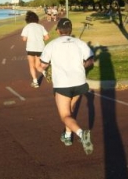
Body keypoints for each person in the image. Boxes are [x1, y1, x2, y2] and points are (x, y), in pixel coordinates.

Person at [37, 18, 94, 155]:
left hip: (63, 84)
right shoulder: (80, 43)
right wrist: (83, 66)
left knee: (65, 115)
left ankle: (81, 133)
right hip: (79, 82)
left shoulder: (51, 45)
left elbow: (42, 65)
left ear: (57, 30)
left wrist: (40, 68)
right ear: (71, 30)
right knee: (71, 109)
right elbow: (90, 61)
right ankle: (68, 136)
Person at [21, 11, 49, 88]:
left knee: (31, 66)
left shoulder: (27, 27)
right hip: (40, 48)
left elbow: (24, 39)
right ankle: (44, 72)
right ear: (36, 18)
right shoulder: (40, 26)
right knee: (37, 65)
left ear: (27, 19)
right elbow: (47, 37)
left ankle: (35, 81)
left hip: (31, 48)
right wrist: (40, 38)